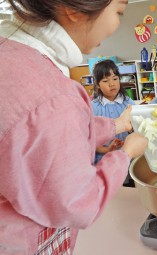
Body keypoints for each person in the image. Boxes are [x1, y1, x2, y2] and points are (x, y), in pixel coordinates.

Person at [0, 0, 147, 254]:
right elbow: (79, 202)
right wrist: (126, 155)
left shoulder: (10, 50)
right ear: (75, 10)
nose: (116, 24)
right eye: (119, 12)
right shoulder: (54, 98)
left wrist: (118, 124)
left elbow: (50, 134)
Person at [91, 59, 135, 164]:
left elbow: (137, 129)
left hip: (128, 155)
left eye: (115, 79)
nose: (112, 84)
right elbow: (91, 139)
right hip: (104, 157)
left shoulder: (129, 103)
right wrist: (106, 150)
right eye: (105, 81)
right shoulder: (93, 107)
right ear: (97, 84)